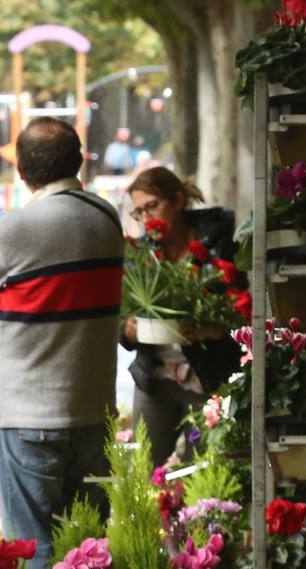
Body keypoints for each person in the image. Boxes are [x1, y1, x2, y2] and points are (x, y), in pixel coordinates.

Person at [0, 117, 123, 569]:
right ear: (80, 160)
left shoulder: (21, 226)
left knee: (34, 546)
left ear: (22, 171)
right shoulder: (106, 216)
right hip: (93, 409)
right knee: (89, 546)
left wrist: (3, 295)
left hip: (30, 414)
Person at [123, 166, 240, 463]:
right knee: (143, 472)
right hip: (155, 378)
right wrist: (127, 328)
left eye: (152, 206)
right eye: (139, 212)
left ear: (177, 201)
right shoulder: (142, 254)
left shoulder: (218, 244)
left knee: (201, 472)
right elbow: (120, 309)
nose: (147, 218)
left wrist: (212, 330)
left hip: (207, 378)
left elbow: (242, 309)